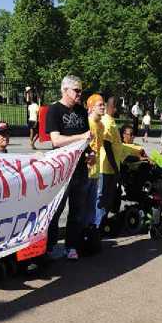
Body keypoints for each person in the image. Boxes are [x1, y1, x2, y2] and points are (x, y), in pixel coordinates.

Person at [44, 75, 93, 261]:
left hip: (80, 167)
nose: (80, 94)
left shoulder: (81, 111)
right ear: (65, 90)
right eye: (76, 90)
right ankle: (49, 246)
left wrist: (89, 152)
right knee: (56, 209)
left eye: (81, 90)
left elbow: (86, 138)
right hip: (62, 169)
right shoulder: (54, 110)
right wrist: (81, 137)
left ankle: (71, 246)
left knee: (77, 210)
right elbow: (56, 140)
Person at [96, 95, 142, 231]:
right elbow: (107, 145)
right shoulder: (107, 122)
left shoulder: (111, 121)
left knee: (107, 201)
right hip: (106, 169)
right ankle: (95, 229)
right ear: (114, 107)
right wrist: (116, 168)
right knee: (102, 201)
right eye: (119, 106)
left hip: (110, 168)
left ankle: (99, 228)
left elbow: (118, 146)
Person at [84, 94, 106, 232]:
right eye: (100, 105)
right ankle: (82, 233)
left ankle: (91, 232)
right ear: (91, 108)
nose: (103, 107)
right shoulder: (88, 124)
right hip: (86, 171)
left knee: (93, 204)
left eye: (103, 104)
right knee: (84, 204)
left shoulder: (101, 125)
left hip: (96, 171)